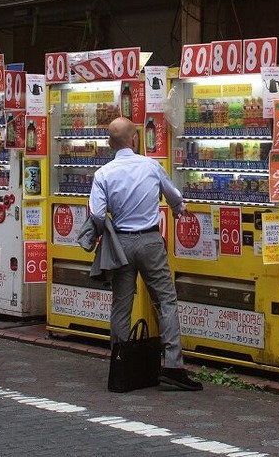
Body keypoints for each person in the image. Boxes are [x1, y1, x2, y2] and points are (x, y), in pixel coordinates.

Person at [90, 117, 202, 391]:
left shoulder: (103, 173)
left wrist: (106, 231)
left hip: (122, 244)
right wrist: (178, 210)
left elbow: (95, 213)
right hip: (151, 241)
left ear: (109, 143)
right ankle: (174, 366)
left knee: (121, 304)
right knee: (165, 301)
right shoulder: (151, 166)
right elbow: (174, 196)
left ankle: (119, 363)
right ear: (135, 139)